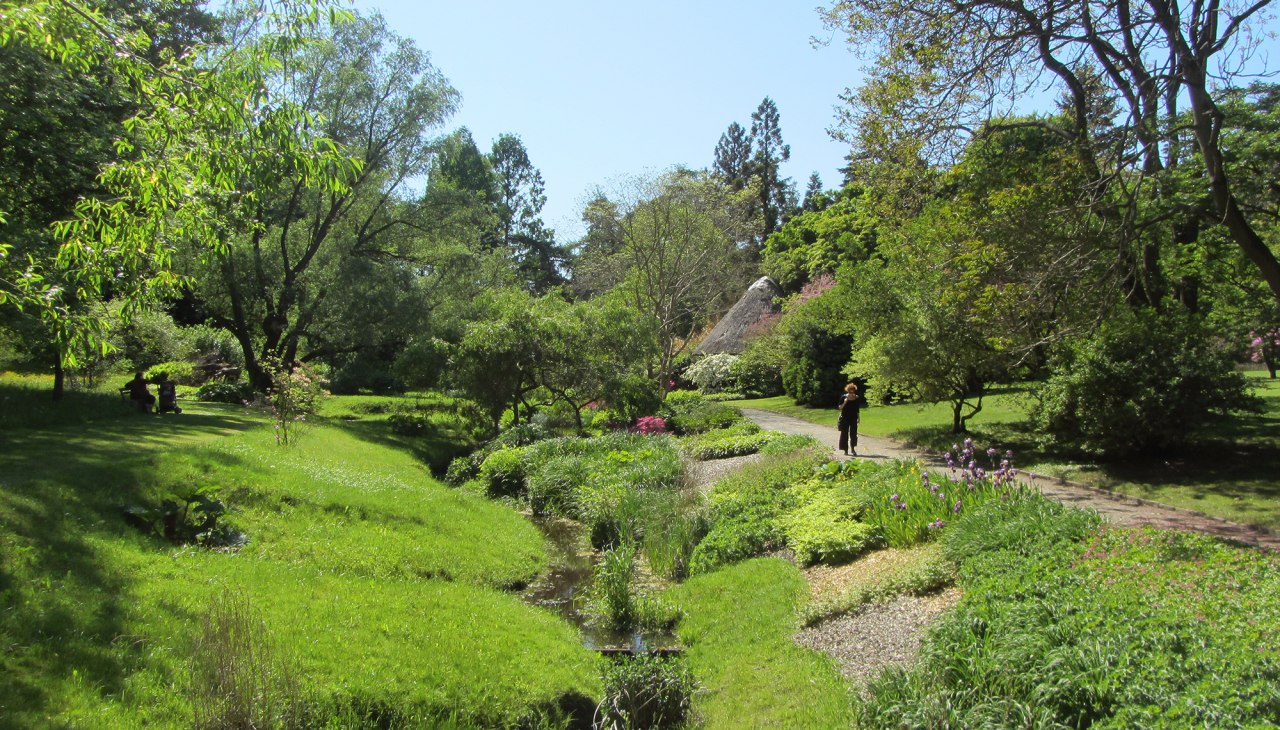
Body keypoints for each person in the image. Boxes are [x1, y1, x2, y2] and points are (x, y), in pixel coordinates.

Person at [837, 382, 862, 456]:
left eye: (853, 390)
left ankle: (853, 449)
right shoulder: (843, 397)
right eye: (850, 390)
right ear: (847, 390)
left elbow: (857, 409)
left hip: (853, 418)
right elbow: (839, 408)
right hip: (845, 418)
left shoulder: (856, 398)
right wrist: (845, 402)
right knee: (844, 434)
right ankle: (845, 449)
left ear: (854, 390)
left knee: (853, 434)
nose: (851, 392)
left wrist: (858, 417)